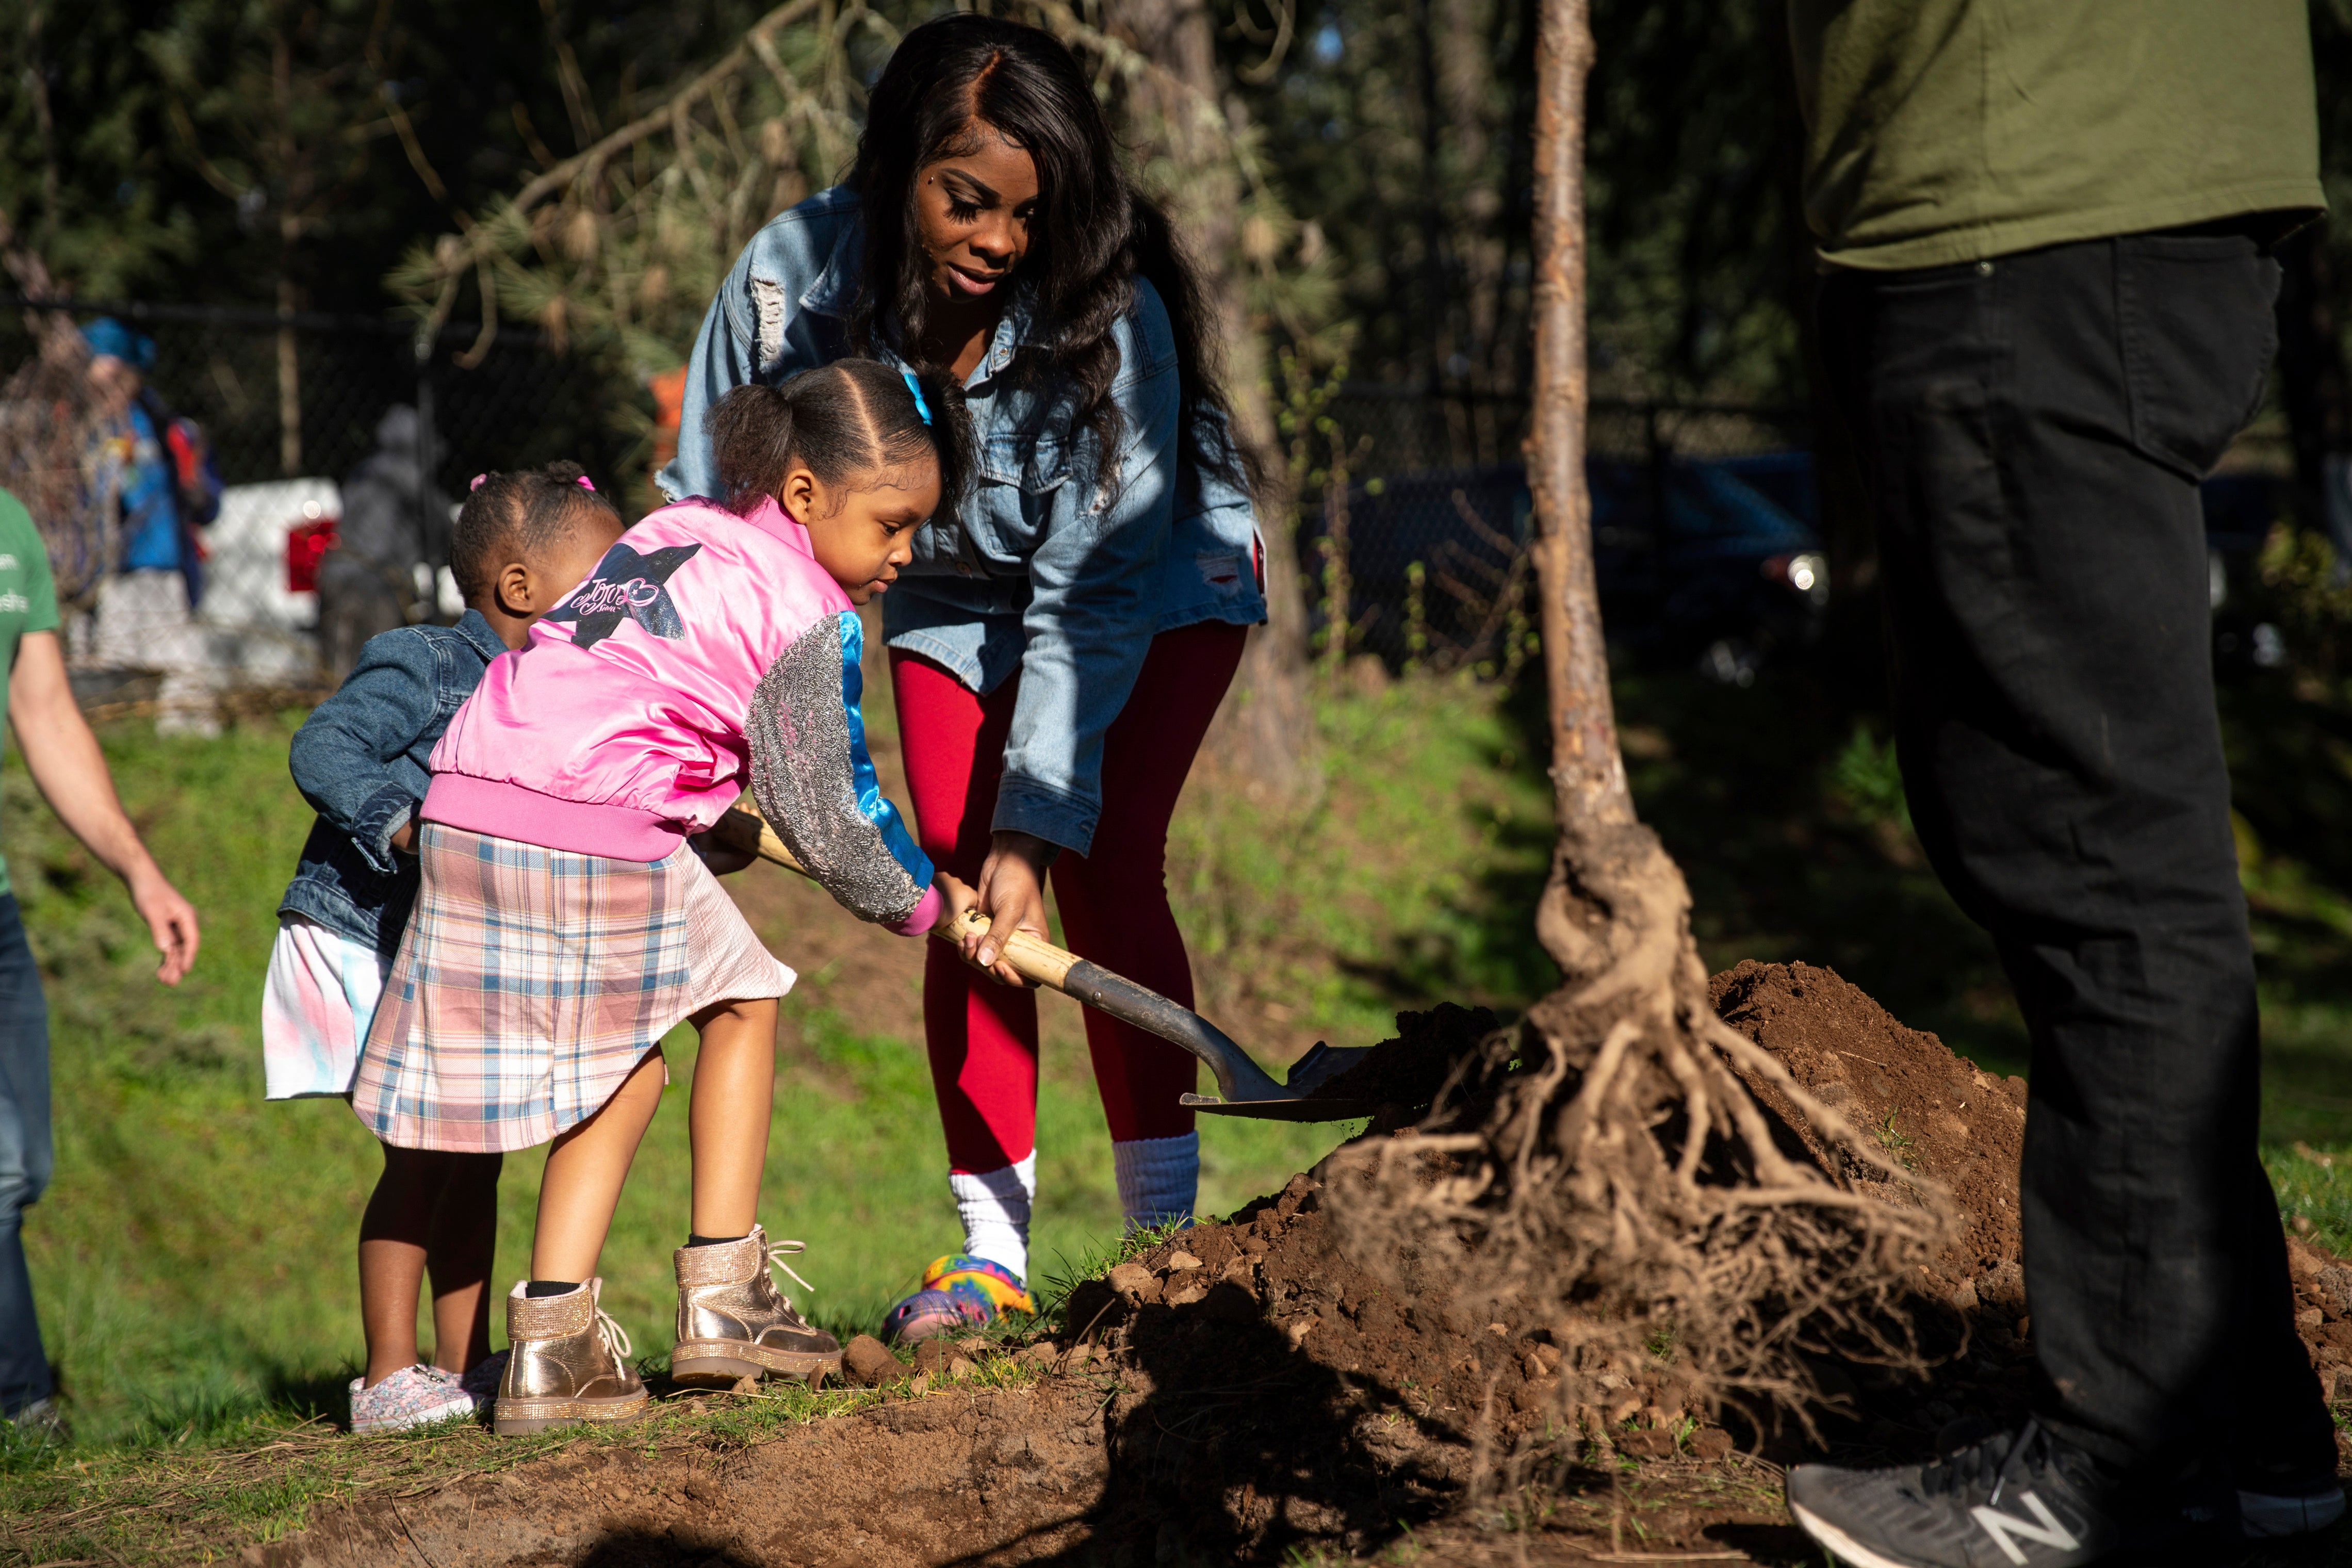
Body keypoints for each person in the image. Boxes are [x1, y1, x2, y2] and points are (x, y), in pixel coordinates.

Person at [1781, 4, 2343, 1562]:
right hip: (2028, 214)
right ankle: (2245, 1435)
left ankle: (2117, 1458)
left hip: (2031, 214)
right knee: (2041, 833)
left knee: (2099, 857)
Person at [661, 12, 1266, 1343]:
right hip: (942, 587)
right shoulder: (794, 287)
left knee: (1092, 861)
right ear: (898, 170)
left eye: (1029, 215)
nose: (999, 241)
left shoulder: (1111, 318)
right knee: (962, 880)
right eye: (967, 200)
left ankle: (1161, 1247)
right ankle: (991, 1258)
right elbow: (712, 520)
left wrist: (1037, 820)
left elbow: (1092, 585)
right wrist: (693, 744)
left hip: (1154, 579)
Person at [355, 361, 961, 1435]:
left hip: (468, 795)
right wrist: (926, 908)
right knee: (688, 1032)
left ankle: (592, 1332)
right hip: (583, 826)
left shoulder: (676, 531)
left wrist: (699, 804)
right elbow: (831, 812)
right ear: (808, 494)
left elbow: (629, 689)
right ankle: (682, 1311)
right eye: (894, 522)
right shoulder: (805, 608)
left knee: (700, 1016)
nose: (906, 552)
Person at [271, 461, 621, 1436]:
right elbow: (324, 746)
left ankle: (461, 1371)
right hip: (373, 934)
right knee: (423, 1155)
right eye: (603, 580)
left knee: (478, 1157)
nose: (623, 601)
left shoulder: (563, 695)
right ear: (518, 588)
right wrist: (404, 822)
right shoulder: (427, 662)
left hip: (455, 948)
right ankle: (388, 1378)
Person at [0, 483, 200, 1435]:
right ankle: (23, 1401)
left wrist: (138, 871)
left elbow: (44, 714)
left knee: (26, 1168)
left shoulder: (9, 527)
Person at [80, 318, 223, 737]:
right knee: (117, 675)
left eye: (118, 376)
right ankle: (126, 738)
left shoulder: (167, 428)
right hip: (109, 575)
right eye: (99, 377)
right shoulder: (78, 430)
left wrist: (194, 484)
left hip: (166, 567)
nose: (110, 388)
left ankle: (188, 738)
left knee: (181, 670)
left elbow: (207, 503)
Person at [318, 406, 454, 683]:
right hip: (376, 583)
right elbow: (443, 527)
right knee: (373, 675)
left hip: (335, 574)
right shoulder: (409, 477)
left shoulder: (363, 473)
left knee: (335, 673)